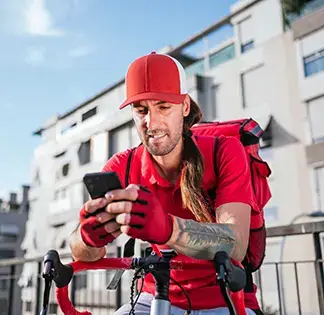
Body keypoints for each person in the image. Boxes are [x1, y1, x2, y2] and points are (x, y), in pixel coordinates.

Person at [69, 52, 264, 315]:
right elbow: (83, 253)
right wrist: (87, 238)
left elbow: (236, 244)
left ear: (184, 107)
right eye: (141, 110)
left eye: (163, 106)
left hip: (224, 296)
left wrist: (169, 229)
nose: (152, 122)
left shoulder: (224, 151)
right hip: (154, 297)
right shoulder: (122, 166)